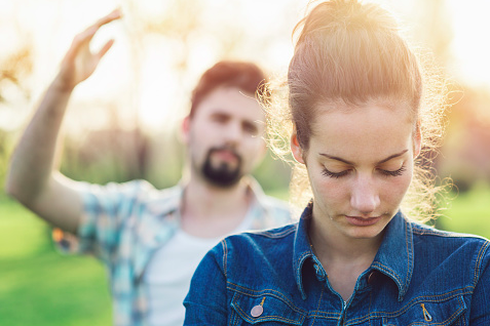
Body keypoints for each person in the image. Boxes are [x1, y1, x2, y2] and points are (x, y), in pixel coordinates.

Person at [183, 0, 490, 324]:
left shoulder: (472, 275)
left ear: (416, 140)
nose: (366, 201)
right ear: (298, 145)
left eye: (390, 168)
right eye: (338, 170)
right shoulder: (230, 273)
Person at [5, 9, 291, 326]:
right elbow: (29, 188)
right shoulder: (131, 215)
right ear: (186, 127)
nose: (232, 135)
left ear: (263, 147)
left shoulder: (290, 233)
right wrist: (62, 86)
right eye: (220, 118)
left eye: (248, 127)